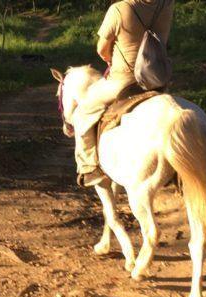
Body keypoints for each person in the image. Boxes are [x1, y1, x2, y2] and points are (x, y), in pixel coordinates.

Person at [74, 0, 174, 187]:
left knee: (82, 112)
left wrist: (110, 59)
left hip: (124, 81)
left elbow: (101, 49)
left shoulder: (119, 9)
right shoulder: (167, 5)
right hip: (157, 80)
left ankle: (89, 166)